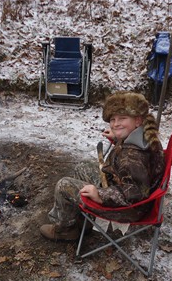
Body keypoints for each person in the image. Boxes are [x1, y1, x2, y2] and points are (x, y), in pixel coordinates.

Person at [40, 91, 165, 241]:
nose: (116, 124)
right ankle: (81, 221)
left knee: (64, 185)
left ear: (138, 121)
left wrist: (100, 195)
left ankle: (65, 230)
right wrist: (118, 139)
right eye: (113, 119)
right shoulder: (143, 136)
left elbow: (135, 193)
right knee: (83, 167)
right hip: (122, 188)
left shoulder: (132, 158)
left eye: (122, 118)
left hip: (128, 208)